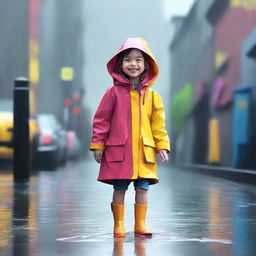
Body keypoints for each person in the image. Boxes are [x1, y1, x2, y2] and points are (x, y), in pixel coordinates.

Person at [90, 38, 170, 238]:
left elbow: (158, 125)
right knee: (120, 187)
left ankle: (140, 224)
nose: (133, 64)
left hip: (144, 152)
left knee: (143, 188)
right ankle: (119, 225)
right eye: (127, 60)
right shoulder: (113, 93)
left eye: (138, 60)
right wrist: (98, 144)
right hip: (121, 151)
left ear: (146, 66)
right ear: (120, 65)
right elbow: (102, 120)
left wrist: (162, 146)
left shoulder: (153, 97)